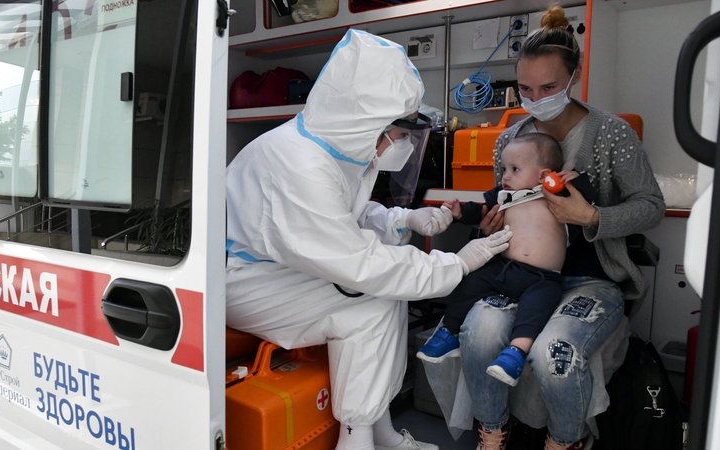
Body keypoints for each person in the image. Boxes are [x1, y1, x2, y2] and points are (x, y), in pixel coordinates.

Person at [224, 29, 513, 450]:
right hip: (243, 280)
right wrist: (457, 263)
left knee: (386, 293)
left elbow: (344, 216)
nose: (403, 145)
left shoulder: (333, 148)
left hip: (275, 265)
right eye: (401, 134)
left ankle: (380, 432)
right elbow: (359, 263)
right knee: (371, 301)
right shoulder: (297, 165)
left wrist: (403, 218)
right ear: (368, 124)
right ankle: (356, 439)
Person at [451, 6, 665, 450]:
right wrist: (489, 227)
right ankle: (492, 433)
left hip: (590, 279)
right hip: (520, 274)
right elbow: (504, 202)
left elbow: (651, 207)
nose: (536, 98)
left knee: (554, 355)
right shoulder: (511, 141)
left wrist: (592, 218)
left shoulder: (611, 134)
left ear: (575, 76)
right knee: (480, 333)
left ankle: (566, 441)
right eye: (526, 89)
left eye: (549, 87)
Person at [417, 133, 597, 387]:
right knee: (469, 282)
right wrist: (460, 212)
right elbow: (481, 211)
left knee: (535, 311)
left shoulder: (559, 195)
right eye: (504, 169)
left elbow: (590, 201)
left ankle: (515, 354)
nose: (506, 177)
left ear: (544, 175)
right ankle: (449, 332)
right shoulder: (505, 195)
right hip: (502, 269)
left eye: (515, 169)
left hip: (542, 278)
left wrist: (576, 180)